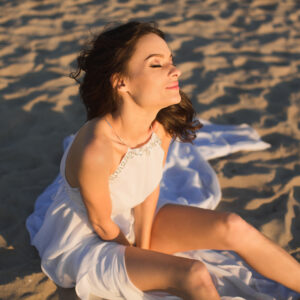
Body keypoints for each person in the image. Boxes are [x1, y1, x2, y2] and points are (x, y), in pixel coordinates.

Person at [26, 21, 300, 300]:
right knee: (193, 274)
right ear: (121, 82)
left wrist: (144, 248)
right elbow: (101, 224)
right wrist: (136, 254)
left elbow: (149, 190)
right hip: (88, 242)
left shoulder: (161, 128)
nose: (175, 70)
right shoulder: (97, 147)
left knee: (232, 225)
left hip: (129, 222)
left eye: (171, 60)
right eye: (156, 65)